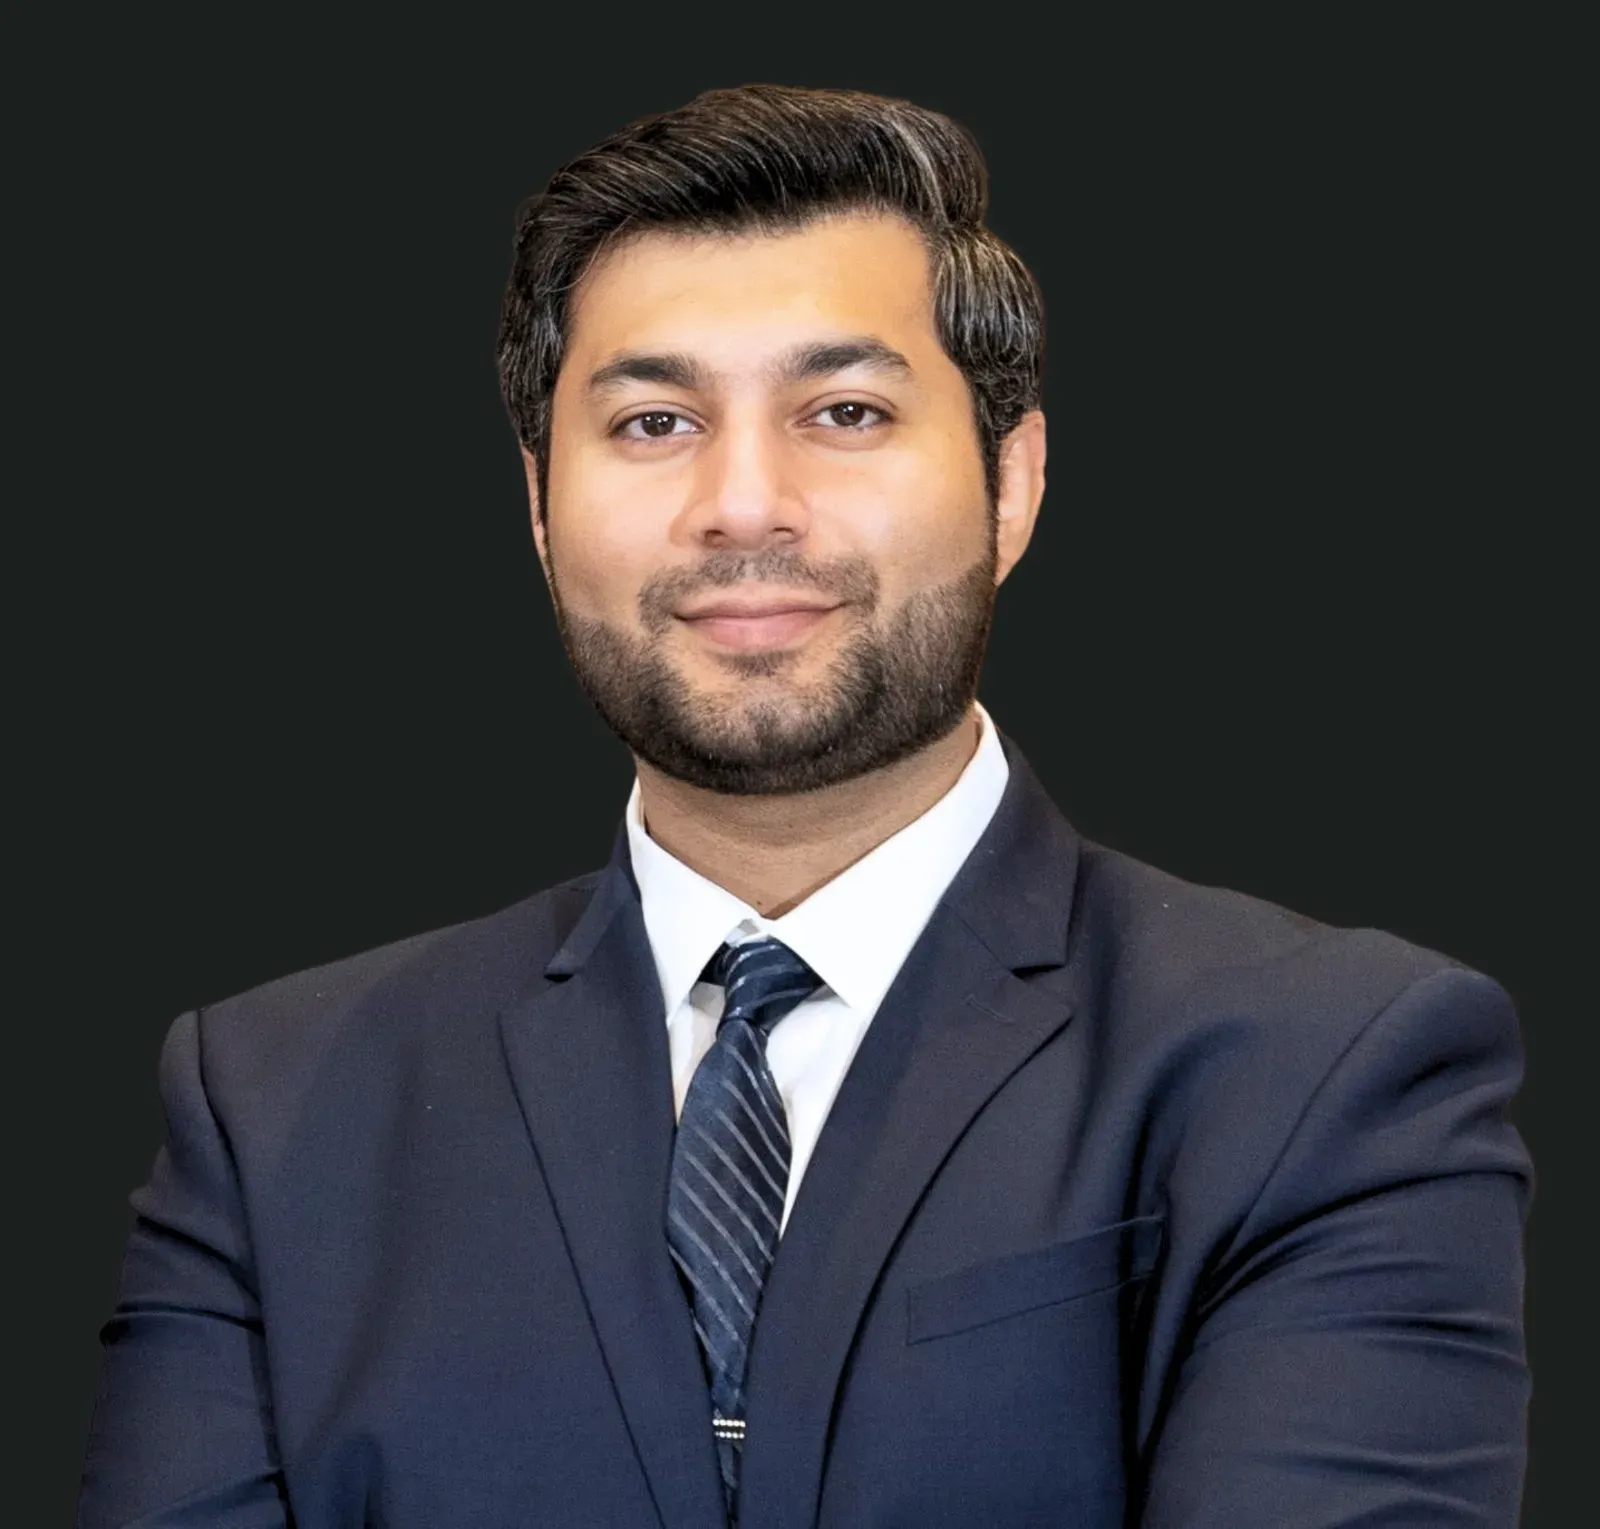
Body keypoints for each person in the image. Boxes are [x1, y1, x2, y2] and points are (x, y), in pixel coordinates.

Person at [78, 83, 1531, 1528]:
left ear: (1011, 480)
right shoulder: (273, 1111)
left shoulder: (1331, 1073)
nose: (744, 504)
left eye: (845, 411)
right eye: (653, 422)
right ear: (537, 505)